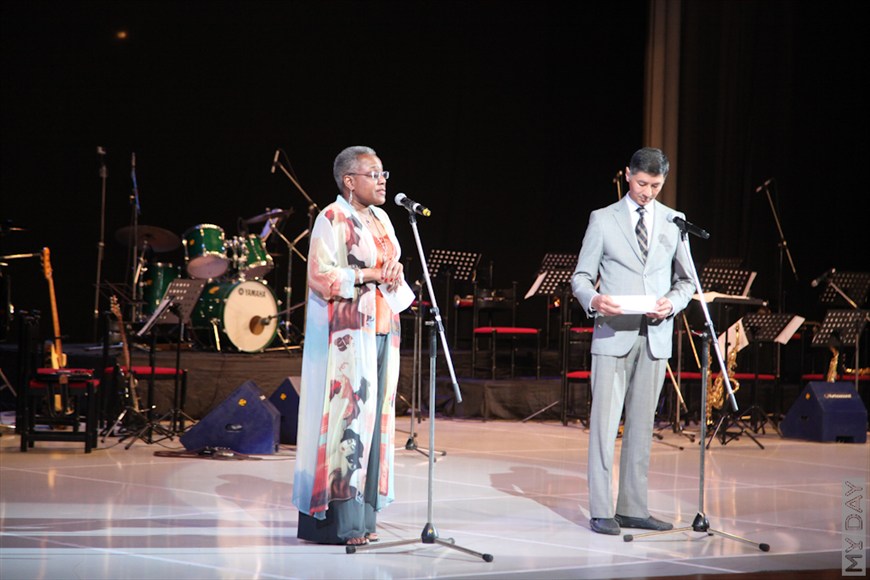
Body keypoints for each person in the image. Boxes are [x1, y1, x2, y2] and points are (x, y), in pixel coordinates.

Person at [570, 147, 695, 536]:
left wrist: (672, 303)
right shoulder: (603, 219)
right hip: (613, 334)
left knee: (642, 426)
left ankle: (633, 508)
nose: (647, 192)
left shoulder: (674, 221)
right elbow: (581, 277)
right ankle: (601, 509)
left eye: (656, 186)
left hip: (655, 336)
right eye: (642, 183)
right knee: (605, 426)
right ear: (628, 175)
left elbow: (686, 281)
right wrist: (594, 300)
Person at [293, 145, 410, 546]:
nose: (382, 181)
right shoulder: (332, 217)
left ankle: (365, 515)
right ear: (349, 180)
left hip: (383, 326)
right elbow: (319, 276)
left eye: (383, 174)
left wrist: (392, 269)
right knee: (349, 417)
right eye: (373, 174)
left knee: (376, 419)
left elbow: (388, 262)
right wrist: (368, 274)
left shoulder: (382, 217)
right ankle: (340, 522)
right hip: (348, 334)